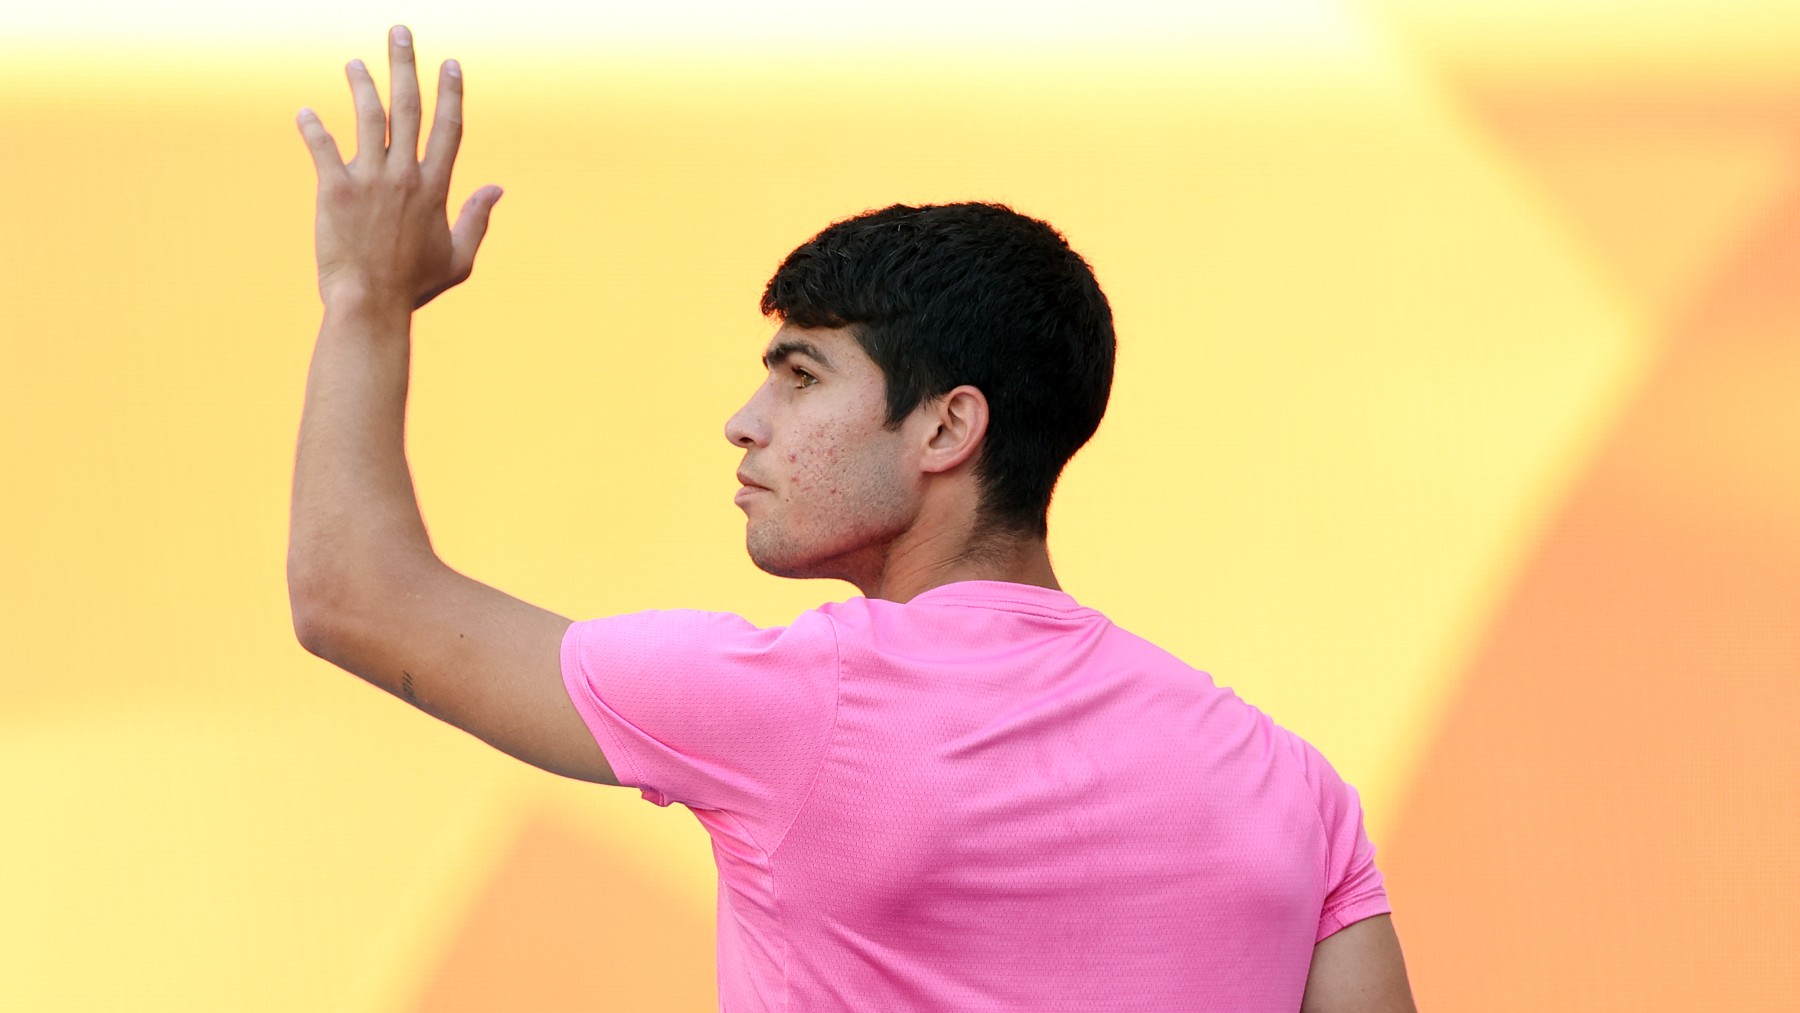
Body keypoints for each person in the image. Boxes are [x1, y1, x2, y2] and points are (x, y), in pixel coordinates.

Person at [289, 26, 1418, 1012]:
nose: (745, 421)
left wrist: (365, 297)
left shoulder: (797, 703)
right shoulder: (1292, 784)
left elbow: (353, 595)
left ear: (945, 429)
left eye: (800, 375)